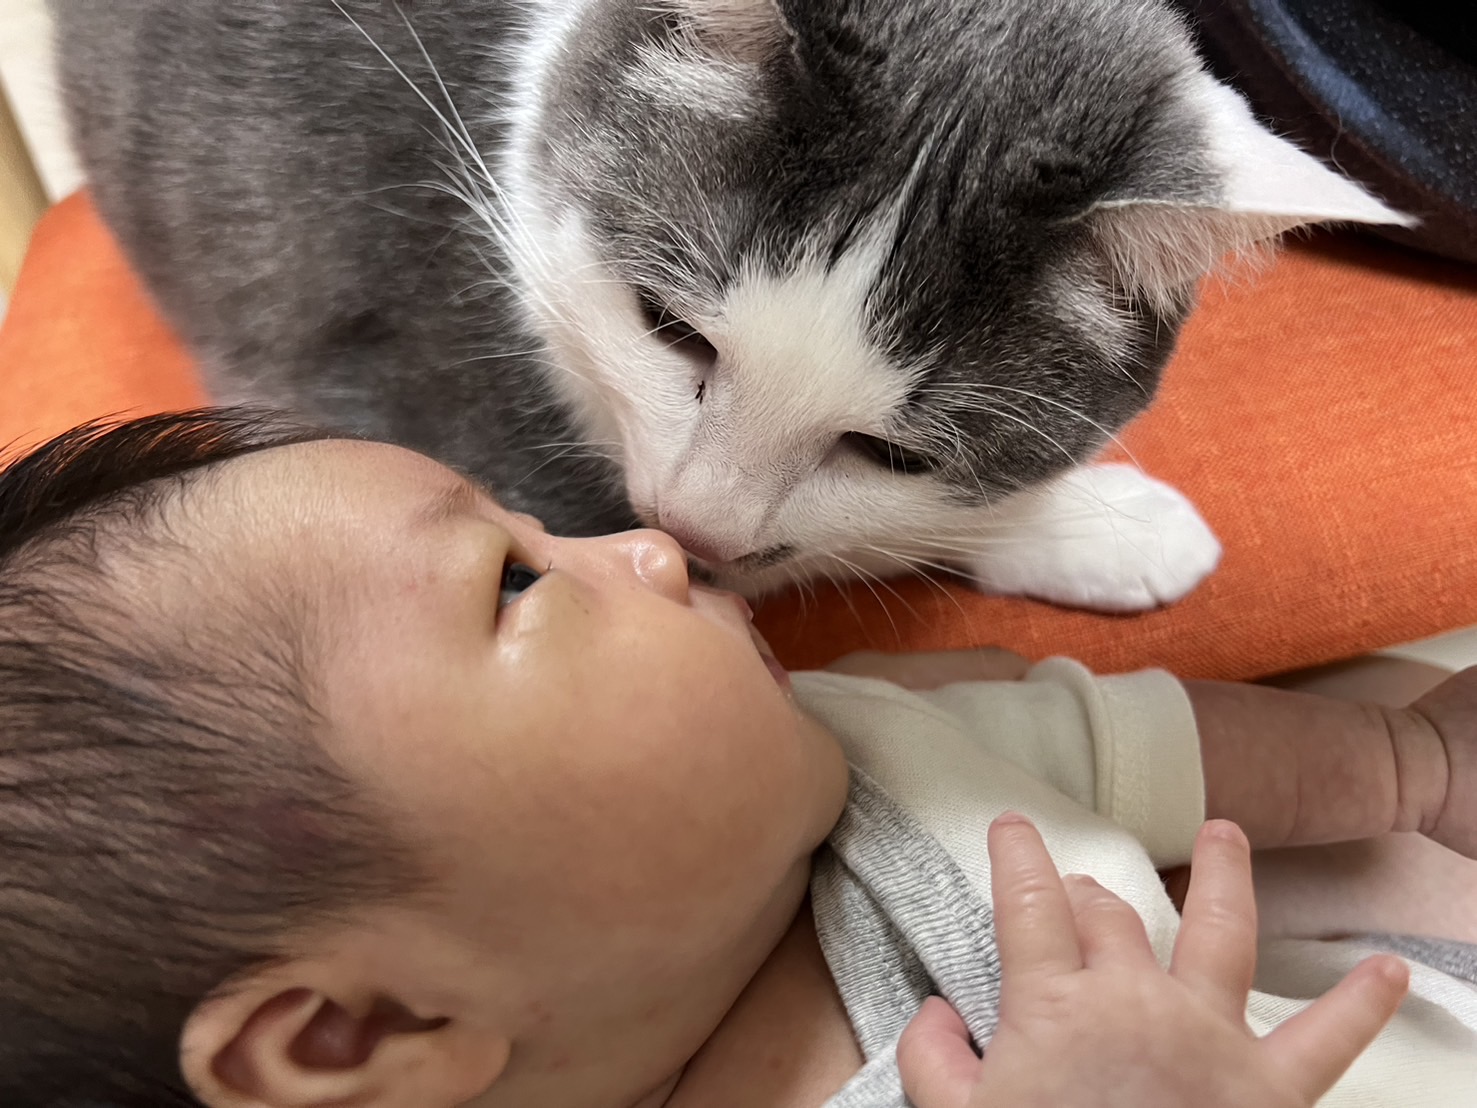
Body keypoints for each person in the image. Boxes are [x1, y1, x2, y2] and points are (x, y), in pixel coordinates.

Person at [0, 409, 1473, 1108]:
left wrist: (1411, 768)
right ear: (350, 1037)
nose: (645, 546)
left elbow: (1135, 742)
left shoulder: (840, 752)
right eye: (513, 582)